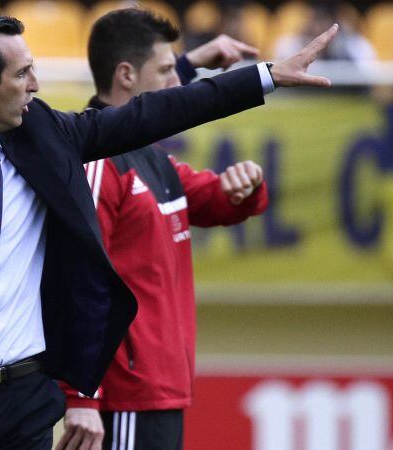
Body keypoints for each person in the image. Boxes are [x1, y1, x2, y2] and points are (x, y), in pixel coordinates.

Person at [0, 10, 338, 450]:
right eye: (22, 75)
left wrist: (264, 75)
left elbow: (152, 112)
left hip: (23, 403)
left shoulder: (44, 134)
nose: (35, 85)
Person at [55, 9, 268, 450]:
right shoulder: (98, 164)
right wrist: (82, 397)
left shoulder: (149, 157)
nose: (179, 85)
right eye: (169, 70)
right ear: (126, 75)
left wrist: (245, 187)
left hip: (158, 390)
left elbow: (213, 201)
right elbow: (77, 280)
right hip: (125, 397)